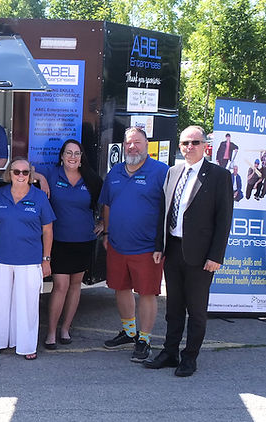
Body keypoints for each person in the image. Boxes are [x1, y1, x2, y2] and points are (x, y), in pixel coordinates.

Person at [146, 126, 234, 377]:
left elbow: (224, 220)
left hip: (201, 255)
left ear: (205, 145)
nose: (189, 147)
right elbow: (164, 212)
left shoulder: (219, 176)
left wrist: (216, 256)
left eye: (195, 142)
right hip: (173, 249)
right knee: (173, 308)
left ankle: (190, 357)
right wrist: (159, 246)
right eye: (185, 143)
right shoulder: (173, 172)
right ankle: (170, 353)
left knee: (196, 310)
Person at [99, 127, 169, 363]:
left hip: (148, 248)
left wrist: (162, 243)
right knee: (121, 288)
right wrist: (107, 232)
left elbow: (170, 208)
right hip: (117, 244)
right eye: (128, 143)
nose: (132, 147)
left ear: (146, 145)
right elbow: (107, 204)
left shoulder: (160, 171)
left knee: (147, 293)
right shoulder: (115, 172)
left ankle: (144, 339)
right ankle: (129, 332)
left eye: (137, 142)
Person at [0, 157, 54, 360]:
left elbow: (48, 230)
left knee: (27, 305)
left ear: (30, 175)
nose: (21, 175)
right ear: (9, 174)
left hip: (29, 259)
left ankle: (27, 346)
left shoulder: (39, 197)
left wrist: (46, 259)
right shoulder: (0, 194)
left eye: (25, 172)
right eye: (16, 172)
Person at [39, 139, 103, 350]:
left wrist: (104, 223)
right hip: (58, 240)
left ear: (81, 157)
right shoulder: (51, 173)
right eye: (68, 153)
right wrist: (42, 179)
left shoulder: (90, 178)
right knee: (60, 286)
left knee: (76, 286)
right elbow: (26, 169)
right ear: (61, 156)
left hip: (84, 239)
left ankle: (65, 329)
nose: (72, 157)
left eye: (77, 153)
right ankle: (51, 332)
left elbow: (107, 200)